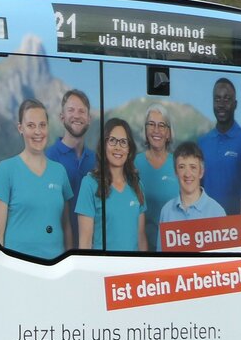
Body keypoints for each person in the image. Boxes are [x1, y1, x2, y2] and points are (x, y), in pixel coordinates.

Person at [0, 98, 72, 260]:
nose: (38, 132)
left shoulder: (60, 172)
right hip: (18, 267)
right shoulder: (6, 169)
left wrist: (70, 261)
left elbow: (66, 225)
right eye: (31, 125)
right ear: (20, 128)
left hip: (56, 269)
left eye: (42, 125)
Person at [76, 118, 147, 252]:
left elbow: (141, 238)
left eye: (123, 142)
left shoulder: (137, 185)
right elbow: (85, 243)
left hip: (132, 270)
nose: (118, 147)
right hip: (102, 270)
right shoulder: (89, 184)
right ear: (104, 145)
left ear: (129, 149)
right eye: (112, 140)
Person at [198, 77, 241, 215]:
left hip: (237, 228)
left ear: (235, 104)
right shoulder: (202, 143)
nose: (221, 105)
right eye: (217, 99)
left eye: (226, 99)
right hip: (207, 226)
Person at [46, 88, 96, 245]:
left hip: (92, 250)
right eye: (71, 110)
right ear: (62, 117)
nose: (76, 115)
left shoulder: (96, 161)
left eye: (82, 111)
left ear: (89, 119)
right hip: (57, 253)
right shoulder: (49, 158)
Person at [157, 141, 225, 250]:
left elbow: (224, 261)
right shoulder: (166, 211)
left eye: (193, 167)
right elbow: (161, 257)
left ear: (201, 172)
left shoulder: (217, 212)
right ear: (175, 172)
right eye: (182, 167)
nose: (187, 174)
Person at [135, 104, 178, 252]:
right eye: (151, 124)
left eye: (162, 125)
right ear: (145, 130)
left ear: (168, 133)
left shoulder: (178, 164)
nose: (156, 130)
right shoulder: (133, 164)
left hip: (173, 248)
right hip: (141, 248)